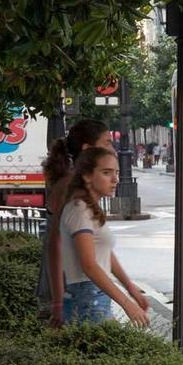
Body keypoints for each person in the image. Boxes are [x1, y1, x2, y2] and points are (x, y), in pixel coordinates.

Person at [59, 147, 149, 326]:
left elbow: (104, 252)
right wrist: (127, 304)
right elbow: (89, 265)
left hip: (92, 295)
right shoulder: (80, 209)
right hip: (87, 296)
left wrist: (130, 288)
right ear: (87, 175)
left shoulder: (89, 208)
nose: (115, 179)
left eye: (116, 172)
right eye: (106, 172)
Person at [39, 120, 115, 326]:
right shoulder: (70, 187)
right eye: (107, 143)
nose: (112, 149)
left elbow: (99, 248)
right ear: (87, 149)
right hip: (76, 291)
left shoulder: (76, 184)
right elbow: (56, 246)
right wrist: (57, 302)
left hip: (82, 290)